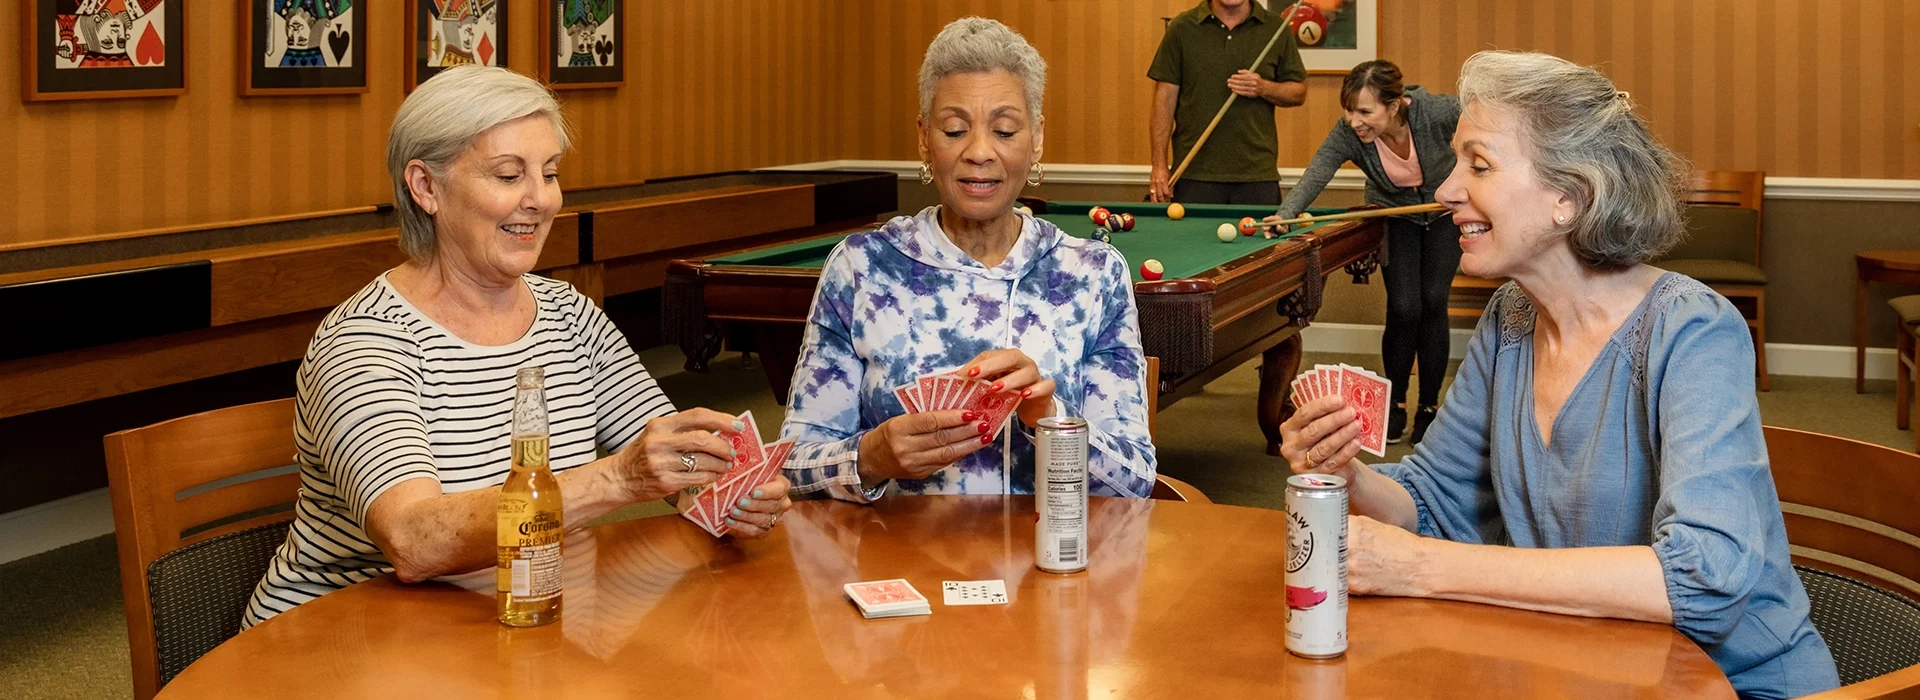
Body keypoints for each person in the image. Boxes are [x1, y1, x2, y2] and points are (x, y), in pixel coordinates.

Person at [1278, 51, 1839, 699]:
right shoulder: (1511, 319)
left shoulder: (1691, 329)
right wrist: (1348, 474)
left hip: (1731, 686)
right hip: (1588, 669)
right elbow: (1435, 500)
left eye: (1478, 165)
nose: (1445, 190)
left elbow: (1704, 580)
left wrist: (1423, 568)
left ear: (1569, 197)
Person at [242, 66, 791, 627]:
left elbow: (675, 463)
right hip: (346, 641)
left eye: (549, 174)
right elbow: (414, 541)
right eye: (509, 175)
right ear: (426, 187)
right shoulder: (366, 340)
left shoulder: (570, 316)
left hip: (516, 620)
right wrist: (617, 478)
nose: (541, 200)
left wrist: (731, 493)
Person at [779, 17, 1157, 502]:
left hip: (1051, 564)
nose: (979, 151)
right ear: (924, 139)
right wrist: (870, 458)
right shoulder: (861, 267)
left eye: (1004, 129)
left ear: (1037, 138)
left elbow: (1135, 481)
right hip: (892, 561)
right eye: (955, 130)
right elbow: (791, 466)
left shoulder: (1093, 274)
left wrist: (1050, 419)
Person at [1267, 61, 1461, 444]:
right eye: (1349, 109)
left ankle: (1428, 407)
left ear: (1395, 106)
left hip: (1443, 213)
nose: (1354, 120)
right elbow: (1319, 170)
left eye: (1364, 111)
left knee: (1434, 302)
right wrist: (1285, 215)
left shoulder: (1438, 111)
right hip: (1394, 215)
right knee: (1404, 307)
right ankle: (1396, 404)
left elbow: (1483, 127)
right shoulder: (1349, 133)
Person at [1148, 0, 1307, 205]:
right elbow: (1164, 102)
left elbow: (1299, 92)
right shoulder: (1181, 28)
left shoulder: (1275, 27)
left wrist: (1264, 88)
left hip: (1257, 175)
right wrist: (1159, 166)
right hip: (1194, 175)